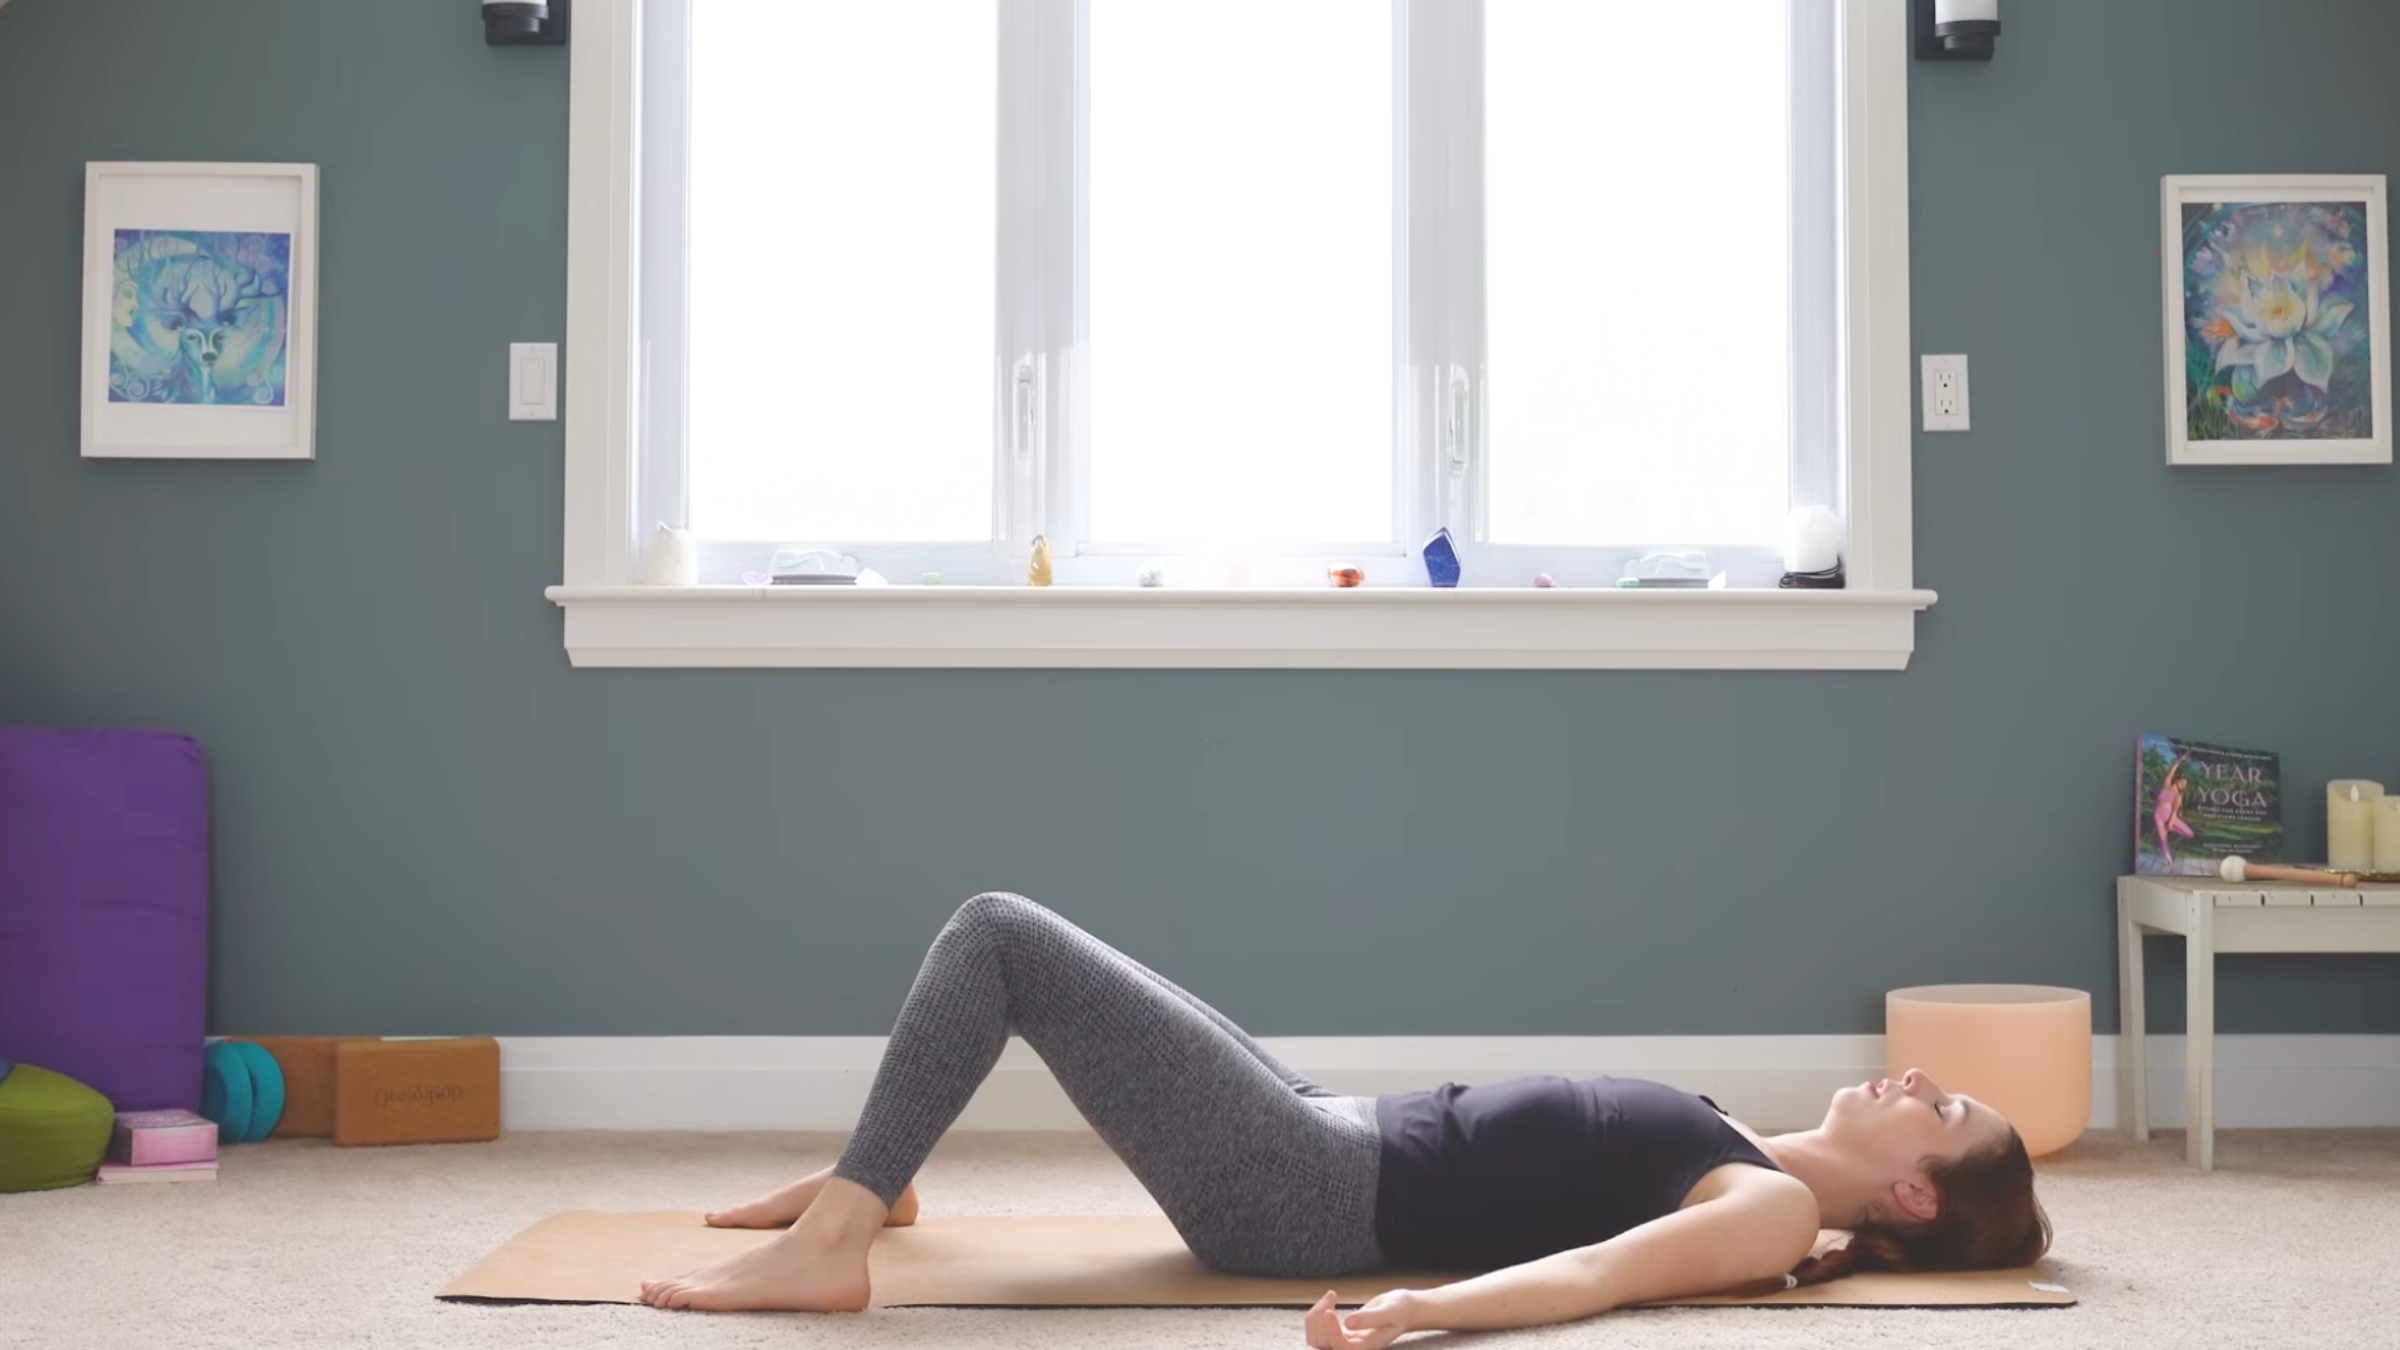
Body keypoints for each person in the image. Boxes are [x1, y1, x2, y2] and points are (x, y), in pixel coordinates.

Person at [639, 894, 2051, 1343]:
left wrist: (1413, 1311)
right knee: (1055, 961)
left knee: (1000, 935)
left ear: (1918, 1197)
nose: (1915, 1079)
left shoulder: (1780, 1207)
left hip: (1311, 1188)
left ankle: (836, 1240)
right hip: (1329, 1127)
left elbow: (1599, 1278)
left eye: (1944, 1109)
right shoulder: (1748, 1148)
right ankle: (871, 1176)